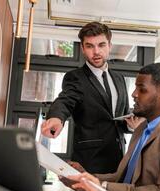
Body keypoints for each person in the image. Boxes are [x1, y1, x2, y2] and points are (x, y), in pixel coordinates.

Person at [66, 63, 160, 191]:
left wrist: (101, 186)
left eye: (142, 90)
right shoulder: (141, 129)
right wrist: (85, 177)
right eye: (135, 88)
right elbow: (121, 178)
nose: (133, 94)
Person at [41, 22, 130, 174]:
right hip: (89, 163)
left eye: (101, 45)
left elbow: (120, 118)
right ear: (82, 48)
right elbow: (65, 100)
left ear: (110, 46)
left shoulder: (119, 78)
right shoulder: (75, 78)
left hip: (119, 162)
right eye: (89, 46)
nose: (96, 51)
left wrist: (131, 125)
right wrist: (57, 117)